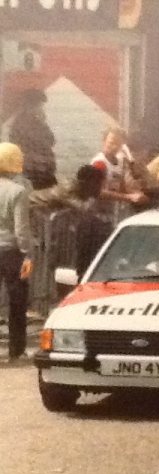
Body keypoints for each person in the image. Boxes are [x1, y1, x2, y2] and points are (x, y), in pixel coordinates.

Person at [0, 143, 33, 362]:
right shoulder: (18, 191)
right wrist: (28, 254)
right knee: (17, 301)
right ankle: (17, 349)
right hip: (11, 252)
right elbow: (21, 228)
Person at [8, 88, 57, 190]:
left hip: (40, 170)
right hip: (34, 172)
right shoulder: (23, 123)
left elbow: (51, 140)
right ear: (31, 105)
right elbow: (46, 141)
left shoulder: (35, 121)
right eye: (39, 105)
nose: (41, 108)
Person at [91, 127, 149, 207]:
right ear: (104, 142)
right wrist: (128, 197)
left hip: (112, 212)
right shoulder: (99, 163)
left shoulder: (119, 162)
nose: (114, 146)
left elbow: (120, 188)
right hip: (97, 213)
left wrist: (136, 194)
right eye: (111, 142)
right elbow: (96, 191)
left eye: (118, 143)